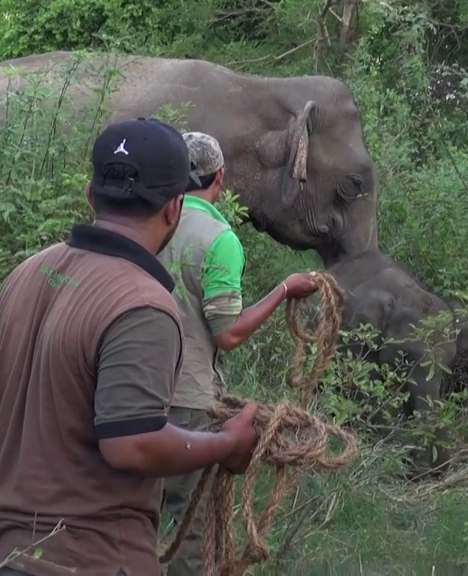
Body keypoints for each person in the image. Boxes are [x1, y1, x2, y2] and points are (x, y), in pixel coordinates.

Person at [0, 118, 261, 576]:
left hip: (5, 553)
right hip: (91, 560)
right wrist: (225, 444)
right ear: (173, 208)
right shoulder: (142, 303)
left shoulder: (27, 273)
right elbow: (132, 446)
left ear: (92, 196)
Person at [156, 132, 320, 576]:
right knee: (189, 529)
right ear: (221, 177)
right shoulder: (219, 237)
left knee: (130, 519)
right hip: (188, 402)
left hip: (130, 396)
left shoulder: (146, 222)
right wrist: (284, 288)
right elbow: (227, 334)